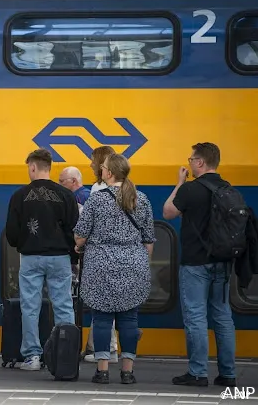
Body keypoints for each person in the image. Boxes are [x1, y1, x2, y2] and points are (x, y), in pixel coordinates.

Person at [74, 153, 154, 384]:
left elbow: (80, 236)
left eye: (103, 168)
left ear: (108, 173)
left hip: (101, 265)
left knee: (101, 319)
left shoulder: (97, 200)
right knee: (129, 319)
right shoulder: (142, 199)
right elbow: (148, 239)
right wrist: (139, 263)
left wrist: (81, 245)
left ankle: (102, 371)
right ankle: (127, 372)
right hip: (134, 263)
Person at [163, 142, 237, 387]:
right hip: (223, 262)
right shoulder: (228, 189)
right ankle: (227, 374)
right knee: (223, 316)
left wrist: (179, 184)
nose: (190, 162)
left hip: (196, 263)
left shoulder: (191, 189)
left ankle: (198, 373)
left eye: (192, 159)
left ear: (200, 162)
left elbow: (168, 212)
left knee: (196, 317)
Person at [5, 148, 78, 371]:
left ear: (33, 167)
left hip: (31, 257)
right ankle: (66, 356)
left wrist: (24, 244)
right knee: (64, 306)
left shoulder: (19, 196)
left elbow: (11, 233)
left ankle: (32, 357)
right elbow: (74, 230)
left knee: (30, 307)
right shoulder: (66, 195)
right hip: (60, 257)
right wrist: (72, 256)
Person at [83, 145, 119, 363]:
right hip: (121, 255)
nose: (90, 164)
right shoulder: (129, 189)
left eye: (92, 160)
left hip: (101, 254)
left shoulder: (99, 189)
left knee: (102, 304)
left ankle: (107, 350)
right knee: (115, 304)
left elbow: (92, 223)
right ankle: (101, 348)